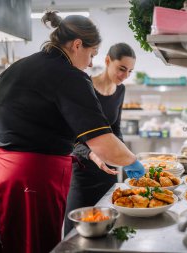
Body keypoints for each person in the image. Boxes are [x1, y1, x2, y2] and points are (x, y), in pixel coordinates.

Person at [0, 11, 144, 253]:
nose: (90, 63)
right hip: (28, 181)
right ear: (77, 45)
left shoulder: (18, 67)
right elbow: (104, 142)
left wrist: (95, 153)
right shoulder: (70, 77)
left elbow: (35, 122)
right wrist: (134, 162)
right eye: (91, 54)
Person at [64, 43, 136, 236]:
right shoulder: (83, 86)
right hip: (82, 171)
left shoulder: (120, 91)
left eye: (130, 71)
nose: (125, 76)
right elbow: (71, 135)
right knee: (76, 229)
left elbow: (115, 129)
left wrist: (126, 158)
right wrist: (91, 154)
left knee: (106, 225)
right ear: (107, 61)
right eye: (122, 69)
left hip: (109, 172)